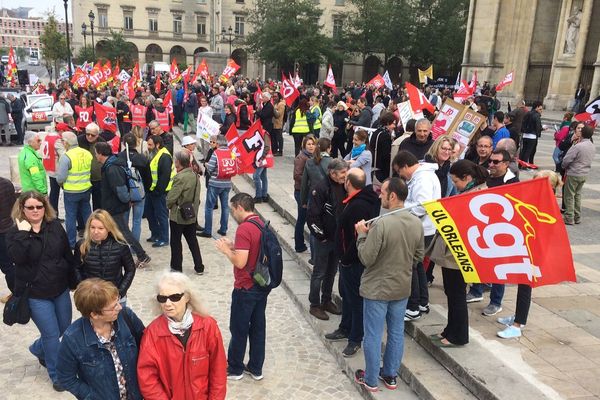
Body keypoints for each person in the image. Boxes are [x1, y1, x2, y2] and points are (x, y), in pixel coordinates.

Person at [353, 178, 424, 392]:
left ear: (392, 195)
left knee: (373, 334)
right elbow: (419, 256)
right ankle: (391, 375)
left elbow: (366, 257)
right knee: (395, 332)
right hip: (401, 286)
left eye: (383, 192)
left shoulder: (382, 223)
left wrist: (362, 235)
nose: (379, 196)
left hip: (377, 287)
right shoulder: (416, 222)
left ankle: (372, 379)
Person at [6, 191, 75, 392]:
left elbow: (66, 254)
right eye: (30, 207)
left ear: (45, 208)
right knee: (52, 335)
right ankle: (57, 374)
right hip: (36, 294)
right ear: (22, 209)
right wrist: (23, 233)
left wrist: (73, 280)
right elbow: (17, 258)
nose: (35, 211)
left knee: (63, 327)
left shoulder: (54, 226)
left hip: (59, 288)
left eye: (39, 206)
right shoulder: (15, 232)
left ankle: (37, 348)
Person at [428, 160, 489, 347]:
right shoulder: (467, 192)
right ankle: (450, 329)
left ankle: (459, 335)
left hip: (460, 254)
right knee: (451, 292)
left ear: (467, 178)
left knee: (456, 294)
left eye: (456, 182)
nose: (454, 185)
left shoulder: (477, 195)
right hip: (452, 252)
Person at [138, 272, 227, 399]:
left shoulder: (208, 326)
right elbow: (147, 378)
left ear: (187, 297)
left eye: (174, 297)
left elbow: (218, 370)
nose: (167, 303)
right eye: (162, 298)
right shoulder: (152, 333)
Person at [495, 170, 562, 339]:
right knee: (522, 284)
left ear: (550, 186)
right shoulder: (537, 199)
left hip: (534, 252)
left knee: (525, 285)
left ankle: (517, 325)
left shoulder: (548, 203)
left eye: (541, 182)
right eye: (535, 180)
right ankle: (519, 317)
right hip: (526, 248)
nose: (535, 184)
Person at [57, 279, 144, 399]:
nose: (119, 307)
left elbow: (146, 347)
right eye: (113, 307)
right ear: (94, 314)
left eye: (117, 300)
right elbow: (65, 377)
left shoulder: (126, 317)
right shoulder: (72, 338)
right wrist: (91, 396)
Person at [325, 168, 379, 357]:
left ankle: (355, 338)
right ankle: (345, 327)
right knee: (347, 296)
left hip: (354, 262)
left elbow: (358, 237)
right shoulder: (356, 201)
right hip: (348, 260)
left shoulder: (359, 206)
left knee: (355, 301)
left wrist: (346, 258)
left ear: (348, 182)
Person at [215, 193, 269, 381]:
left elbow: (240, 262)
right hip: (261, 285)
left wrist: (226, 251)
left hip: (245, 287)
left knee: (238, 328)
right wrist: (234, 245)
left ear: (239, 207)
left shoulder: (244, 228)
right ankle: (256, 368)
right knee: (258, 327)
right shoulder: (260, 223)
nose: (232, 213)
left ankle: (235, 368)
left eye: (232, 209)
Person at [466, 149, 519, 315]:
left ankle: (496, 301)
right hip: (482, 225)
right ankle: (476, 290)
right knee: (478, 259)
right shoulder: (486, 176)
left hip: (501, 231)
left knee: (498, 266)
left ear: (506, 164)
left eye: (496, 162)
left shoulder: (512, 181)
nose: (491, 164)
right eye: (491, 161)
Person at [392, 151, 441, 321]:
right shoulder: (423, 176)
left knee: (410, 267)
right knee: (418, 266)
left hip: (422, 229)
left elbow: (422, 207)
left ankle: (413, 307)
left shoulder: (423, 179)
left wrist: (401, 204)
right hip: (424, 228)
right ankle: (422, 302)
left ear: (406, 166)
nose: (401, 176)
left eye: (400, 172)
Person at [95, 142, 152, 266]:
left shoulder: (111, 168)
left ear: (100, 154)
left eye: (96, 153)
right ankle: (110, 255)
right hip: (112, 206)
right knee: (113, 232)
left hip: (114, 207)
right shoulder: (114, 162)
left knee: (124, 232)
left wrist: (126, 200)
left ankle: (142, 256)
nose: (95, 156)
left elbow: (120, 189)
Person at [306, 158, 347, 320]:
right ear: (332, 173)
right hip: (323, 239)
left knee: (331, 272)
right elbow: (312, 216)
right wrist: (321, 236)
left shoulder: (343, 186)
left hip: (337, 239)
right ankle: (314, 304)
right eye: (342, 172)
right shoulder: (320, 188)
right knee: (319, 273)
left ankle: (327, 300)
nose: (345, 175)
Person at [74, 208, 136, 299]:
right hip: (91, 297)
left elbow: (130, 269)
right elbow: (76, 268)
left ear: (108, 228)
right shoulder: (82, 245)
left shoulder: (120, 246)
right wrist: (83, 287)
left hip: (114, 296)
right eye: (92, 227)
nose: (95, 231)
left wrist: (121, 291)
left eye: (100, 228)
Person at [167, 150, 204, 274]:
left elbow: (172, 197)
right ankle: (199, 266)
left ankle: (176, 267)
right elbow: (197, 195)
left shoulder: (180, 177)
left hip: (178, 215)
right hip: (191, 213)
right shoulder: (194, 175)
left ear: (178, 162)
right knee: (192, 240)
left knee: (176, 242)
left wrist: (168, 204)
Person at [57, 131, 93, 248]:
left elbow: (61, 177)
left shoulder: (66, 157)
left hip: (71, 192)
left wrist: (61, 184)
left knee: (71, 217)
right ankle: (91, 239)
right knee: (87, 214)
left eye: (62, 141)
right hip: (86, 189)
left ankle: (71, 243)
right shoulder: (87, 153)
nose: (62, 143)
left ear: (66, 143)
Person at [118, 133, 152, 244]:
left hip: (124, 195)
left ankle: (124, 245)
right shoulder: (142, 159)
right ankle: (134, 246)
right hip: (139, 193)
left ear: (123, 143)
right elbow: (148, 178)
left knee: (124, 222)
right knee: (137, 221)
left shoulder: (118, 158)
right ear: (136, 143)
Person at [198, 135, 233, 238]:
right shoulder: (231, 153)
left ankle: (207, 231)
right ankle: (223, 229)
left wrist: (206, 165)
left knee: (209, 207)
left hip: (215, 183)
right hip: (227, 183)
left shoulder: (216, 153)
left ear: (218, 144)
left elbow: (210, 168)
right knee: (225, 207)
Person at [146, 134, 175, 247]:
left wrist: (158, 191)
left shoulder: (164, 156)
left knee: (161, 215)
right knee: (149, 213)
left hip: (160, 192)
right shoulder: (156, 154)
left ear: (157, 145)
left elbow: (164, 176)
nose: (148, 146)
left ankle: (164, 238)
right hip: (152, 191)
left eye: (150, 144)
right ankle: (155, 234)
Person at [562, 124, 595, 225]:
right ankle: (577, 216)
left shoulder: (578, 146)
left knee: (569, 195)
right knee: (577, 195)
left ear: (583, 133)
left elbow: (567, 160)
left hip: (574, 172)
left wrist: (564, 166)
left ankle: (569, 217)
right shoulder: (592, 146)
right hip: (584, 173)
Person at [292, 135, 316, 252]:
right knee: (302, 218)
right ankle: (299, 244)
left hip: (308, 191)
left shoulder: (312, 157)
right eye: (309, 144)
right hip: (301, 192)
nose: (311, 146)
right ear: (304, 145)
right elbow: (296, 175)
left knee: (304, 218)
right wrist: (310, 179)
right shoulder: (301, 158)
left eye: (313, 144)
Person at [78, 122, 106, 210]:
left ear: (97, 135)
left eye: (92, 135)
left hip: (98, 178)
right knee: (83, 204)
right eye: (88, 134)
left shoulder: (102, 143)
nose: (89, 136)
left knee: (98, 203)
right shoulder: (79, 141)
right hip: (83, 178)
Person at [369, 111, 394, 190]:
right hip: (381, 170)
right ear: (387, 123)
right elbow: (385, 156)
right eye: (393, 123)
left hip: (374, 167)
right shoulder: (385, 136)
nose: (395, 126)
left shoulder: (377, 131)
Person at [0, 177, 16, 297]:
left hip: (3, 231)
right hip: (9, 228)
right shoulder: (7, 183)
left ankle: (16, 293)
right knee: (10, 264)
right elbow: (13, 205)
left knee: (7, 265)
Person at [519, 101, 543, 168]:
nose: (541, 111)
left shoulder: (528, 113)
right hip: (532, 136)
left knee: (523, 150)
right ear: (537, 107)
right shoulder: (536, 115)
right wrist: (541, 129)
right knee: (528, 152)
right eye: (540, 109)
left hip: (525, 134)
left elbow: (523, 123)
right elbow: (538, 126)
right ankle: (525, 166)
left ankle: (520, 164)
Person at [252, 130, 271, 203]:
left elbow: (266, 147)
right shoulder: (261, 132)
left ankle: (259, 196)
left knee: (256, 176)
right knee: (263, 177)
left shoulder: (264, 132)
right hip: (261, 157)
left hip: (261, 158)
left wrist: (261, 158)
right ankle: (264, 195)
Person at [272, 92, 286, 156]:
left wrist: (273, 109)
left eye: (275, 97)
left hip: (278, 123)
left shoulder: (281, 104)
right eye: (273, 97)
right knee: (274, 137)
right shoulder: (275, 104)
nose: (274, 98)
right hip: (274, 123)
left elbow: (278, 115)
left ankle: (280, 151)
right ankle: (275, 150)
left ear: (279, 97)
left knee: (279, 138)